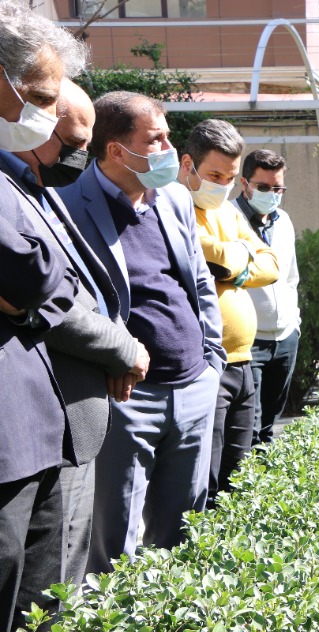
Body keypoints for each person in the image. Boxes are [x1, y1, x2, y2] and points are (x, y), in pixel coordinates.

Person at [56, 91, 226, 574]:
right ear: (116, 151)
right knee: (115, 538)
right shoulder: (66, 207)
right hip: (128, 399)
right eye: (157, 139)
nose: (171, 148)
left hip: (194, 386)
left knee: (183, 530)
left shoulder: (173, 196)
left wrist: (211, 360)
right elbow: (70, 304)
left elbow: (197, 281)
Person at [0, 78, 149, 588]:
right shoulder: (10, 186)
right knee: (38, 598)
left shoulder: (40, 185)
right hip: (37, 420)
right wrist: (120, 347)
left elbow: (74, 284)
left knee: (58, 590)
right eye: (74, 144)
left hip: (73, 417)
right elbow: (43, 295)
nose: (78, 157)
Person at [0, 0, 85, 632]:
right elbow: (32, 277)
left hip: (33, 429)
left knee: (34, 629)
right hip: (6, 441)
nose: (50, 118)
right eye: (40, 98)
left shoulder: (17, 176)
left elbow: (44, 277)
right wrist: (27, 289)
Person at [177, 120, 279, 506]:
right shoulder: (174, 204)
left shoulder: (228, 212)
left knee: (240, 471)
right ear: (188, 165)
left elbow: (269, 265)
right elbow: (203, 253)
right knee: (207, 471)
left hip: (243, 363)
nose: (222, 184)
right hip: (206, 363)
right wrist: (236, 256)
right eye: (214, 174)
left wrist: (231, 269)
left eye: (230, 177)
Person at [233, 149, 300, 446]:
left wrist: (294, 324)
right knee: (250, 426)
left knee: (271, 423)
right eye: (263, 187)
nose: (272, 194)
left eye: (278, 188)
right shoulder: (228, 219)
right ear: (244, 183)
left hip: (285, 337)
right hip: (250, 341)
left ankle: (270, 484)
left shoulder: (283, 220)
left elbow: (290, 277)